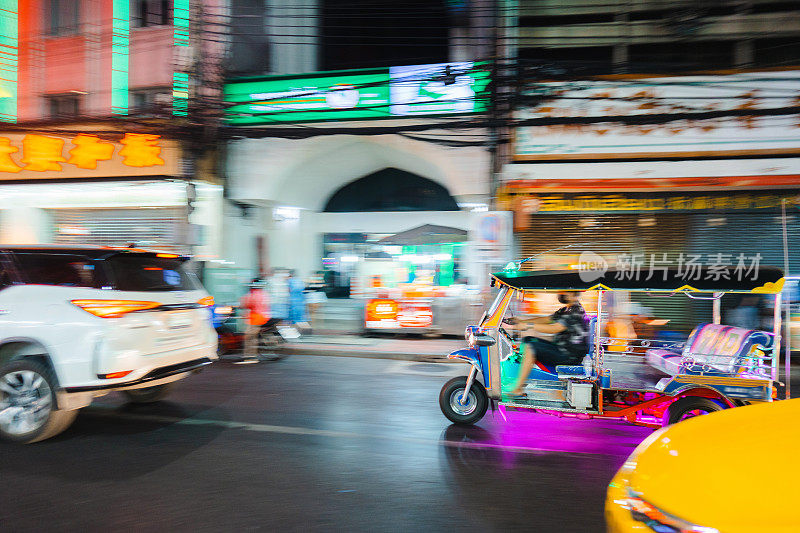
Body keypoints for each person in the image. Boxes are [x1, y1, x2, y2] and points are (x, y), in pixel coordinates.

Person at [507, 291, 589, 397]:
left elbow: (555, 328)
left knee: (530, 347)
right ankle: (523, 375)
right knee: (528, 340)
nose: (560, 293)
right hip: (561, 349)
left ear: (573, 294)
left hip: (568, 355)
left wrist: (528, 325)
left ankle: (518, 388)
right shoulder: (566, 310)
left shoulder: (575, 311)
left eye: (565, 292)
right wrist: (521, 321)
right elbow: (548, 319)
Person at [239, 278, 270, 362]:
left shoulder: (254, 294)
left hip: (256, 318)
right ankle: (251, 355)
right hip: (263, 316)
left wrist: (242, 305)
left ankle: (250, 356)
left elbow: (248, 303)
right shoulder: (264, 293)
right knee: (252, 337)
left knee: (249, 337)